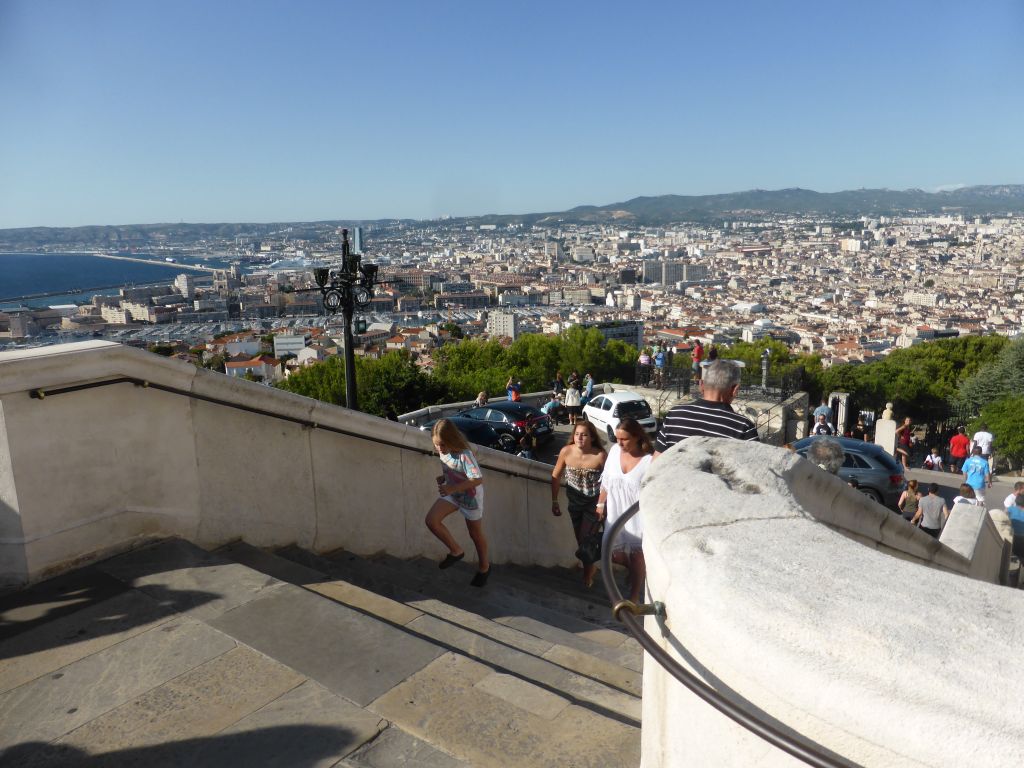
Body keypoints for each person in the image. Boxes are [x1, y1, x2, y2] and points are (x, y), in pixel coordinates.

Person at [425, 419, 490, 587]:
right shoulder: (442, 451)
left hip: (470, 497)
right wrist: (445, 478)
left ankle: (484, 568)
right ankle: (456, 551)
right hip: (454, 493)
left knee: (475, 534)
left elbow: (477, 479)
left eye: (443, 445)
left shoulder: (464, 455)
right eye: (437, 445)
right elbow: (452, 469)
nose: (440, 449)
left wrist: (452, 489)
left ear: (451, 440)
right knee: (432, 521)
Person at [596, 418, 654, 603]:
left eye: (625, 439)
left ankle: (634, 595)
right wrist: (600, 504)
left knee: (638, 557)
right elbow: (606, 481)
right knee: (615, 555)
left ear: (637, 437)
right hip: (615, 513)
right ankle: (635, 574)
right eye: (617, 438)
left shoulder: (649, 461)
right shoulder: (614, 451)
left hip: (638, 518)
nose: (619, 443)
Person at [654, 359, 759, 455]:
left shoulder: (674, 415)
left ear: (701, 384)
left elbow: (655, 464)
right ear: (735, 390)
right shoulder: (743, 427)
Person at [551, 421, 608, 588]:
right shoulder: (566, 452)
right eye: (577, 434)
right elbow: (556, 475)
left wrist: (602, 505)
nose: (580, 438)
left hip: (593, 504)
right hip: (574, 504)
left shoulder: (600, 455)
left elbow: (609, 481)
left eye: (584, 434)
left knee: (584, 539)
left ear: (592, 437)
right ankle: (590, 567)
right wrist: (554, 500)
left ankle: (587, 573)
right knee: (581, 540)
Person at [1006, 492, 1024, 560]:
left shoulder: (1010, 508)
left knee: (1013, 548)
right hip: (1021, 537)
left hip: (1011, 534)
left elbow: (1004, 517)